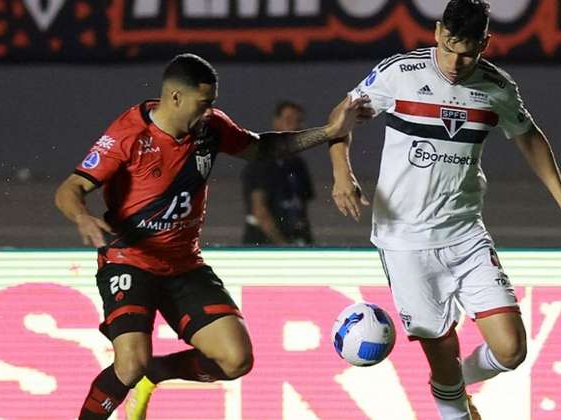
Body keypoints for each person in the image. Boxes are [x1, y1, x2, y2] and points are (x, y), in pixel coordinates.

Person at [54, 53, 371, 420]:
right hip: (130, 260)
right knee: (130, 364)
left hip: (184, 265)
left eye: (213, 104)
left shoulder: (210, 127)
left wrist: (328, 132)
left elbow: (261, 148)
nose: (209, 112)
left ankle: (156, 374)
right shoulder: (129, 134)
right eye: (204, 104)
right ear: (175, 98)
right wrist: (82, 217)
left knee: (237, 360)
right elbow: (70, 187)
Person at [328, 1, 561, 419]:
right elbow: (340, 118)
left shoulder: (497, 87)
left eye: (469, 52)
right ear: (437, 32)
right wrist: (342, 174)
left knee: (511, 349)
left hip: (467, 236)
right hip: (405, 244)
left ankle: (452, 385)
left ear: (485, 44)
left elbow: (530, 138)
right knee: (443, 358)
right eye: (450, 47)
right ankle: (450, 395)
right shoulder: (400, 73)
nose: (456, 61)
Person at [241, 100, 315, 246]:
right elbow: (260, 211)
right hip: (263, 244)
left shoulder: (298, 166)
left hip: (295, 240)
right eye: (288, 120)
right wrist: (283, 247)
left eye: (298, 121)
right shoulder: (260, 163)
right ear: (276, 123)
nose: (294, 126)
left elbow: (301, 208)